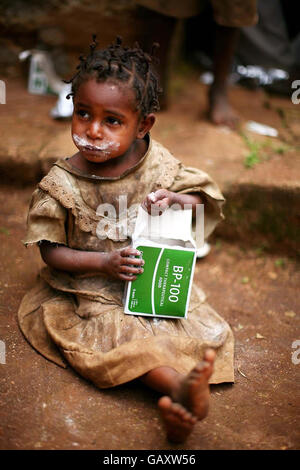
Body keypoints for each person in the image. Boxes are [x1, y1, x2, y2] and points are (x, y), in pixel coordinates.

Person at [18, 36, 234, 443]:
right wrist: (103, 264)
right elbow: (50, 253)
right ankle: (179, 389)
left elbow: (201, 201)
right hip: (91, 289)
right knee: (118, 334)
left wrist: (176, 199)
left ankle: (184, 386)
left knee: (179, 327)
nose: (93, 130)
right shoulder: (62, 184)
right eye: (83, 113)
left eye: (112, 120)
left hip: (148, 281)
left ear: (144, 125)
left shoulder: (157, 164)